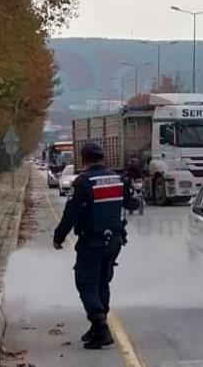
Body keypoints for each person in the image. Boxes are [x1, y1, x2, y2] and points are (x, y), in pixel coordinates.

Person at [53, 142, 137, 349]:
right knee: (102, 283)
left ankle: (100, 327)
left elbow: (71, 214)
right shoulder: (119, 180)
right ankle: (98, 325)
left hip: (92, 241)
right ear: (102, 158)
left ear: (84, 159)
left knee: (85, 282)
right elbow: (131, 204)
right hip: (115, 240)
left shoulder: (83, 182)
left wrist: (59, 237)